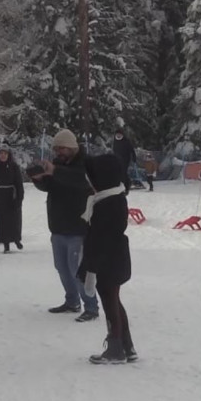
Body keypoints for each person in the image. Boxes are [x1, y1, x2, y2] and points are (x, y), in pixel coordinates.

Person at [31, 129, 100, 323]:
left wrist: (55, 171)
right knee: (61, 267)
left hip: (78, 227)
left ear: (71, 147)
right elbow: (51, 186)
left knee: (78, 269)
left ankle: (91, 305)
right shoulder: (59, 164)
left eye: (61, 148)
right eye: (56, 148)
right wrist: (39, 179)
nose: (58, 152)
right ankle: (72, 301)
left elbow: (80, 180)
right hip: (58, 225)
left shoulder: (85, 164)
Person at [78, 154, 136, 364]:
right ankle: (126, 345)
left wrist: (90, 269)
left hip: (107, 260)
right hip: (114, 257)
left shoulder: (106, 203)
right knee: (114, 301)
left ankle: (115, 347)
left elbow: (98, 239)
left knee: (110, 301)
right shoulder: (112, 197)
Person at [0, 146, 24, 253]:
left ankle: (16, 240)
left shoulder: (14, 166)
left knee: (14, 219)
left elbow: (19, 184)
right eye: (1, 153)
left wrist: (19, 198)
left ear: (8, 155)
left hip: (11, 195)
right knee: (2, 221)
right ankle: (6, 244)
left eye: (5, 153)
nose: (3, 155)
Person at [111, 128, 134, 193]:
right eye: (117, 134)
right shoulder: (115, 141)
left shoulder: (126, 141)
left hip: (125, 159)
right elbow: (114, 150)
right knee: (120, 173)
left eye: (119, 134)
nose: (118, 135)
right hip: (117, 159)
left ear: (122, 134)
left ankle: (126, 186)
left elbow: (131, 149)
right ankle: (123, 185)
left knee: (123, 172)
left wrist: (133, 157)